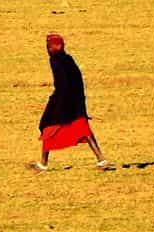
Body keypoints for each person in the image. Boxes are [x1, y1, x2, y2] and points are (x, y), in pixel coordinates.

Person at [33, 33, 112, 171]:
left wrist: (57, 102)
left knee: (48, 127)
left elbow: (62, 83)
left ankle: (43, 164)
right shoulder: (68, 59)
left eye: (48, 47)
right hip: (76, 100)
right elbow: (77, 80)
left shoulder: (55, 61)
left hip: (63, 100)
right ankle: (101, 159)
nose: (46, 49)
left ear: (51, 48)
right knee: (83, 129)